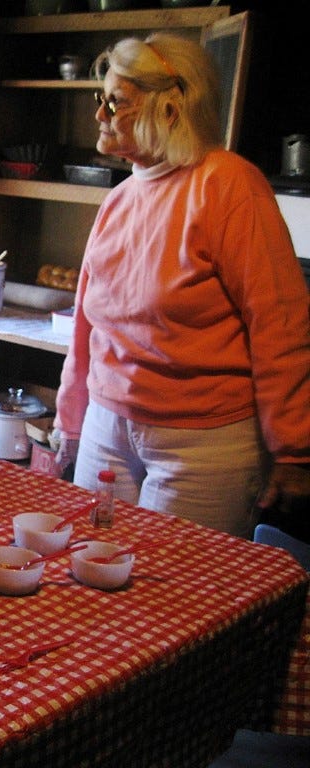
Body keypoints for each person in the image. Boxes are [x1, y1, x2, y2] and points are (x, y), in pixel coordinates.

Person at [53, 33, 310, 537]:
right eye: (98, 99)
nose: (99, 114)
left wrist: (294, 447)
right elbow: (88, 324)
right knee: (85, 578)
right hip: (108, 426)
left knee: (176, 604)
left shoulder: (229, 185)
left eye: (116, 101)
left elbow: (278, 322)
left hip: (203, 444)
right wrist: (71, 420)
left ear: (171, 107)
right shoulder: (120, 199)